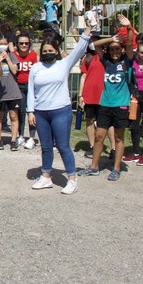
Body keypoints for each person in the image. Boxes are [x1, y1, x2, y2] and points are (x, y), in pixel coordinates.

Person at [27, 22, 94, 194]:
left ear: (56, 51)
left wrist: (87, 30)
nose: (47, 53)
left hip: (60, 111)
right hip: (41, 112)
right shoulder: (36, 68)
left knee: (63, 146)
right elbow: (31, 91)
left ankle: (72, 179)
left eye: (51, 50)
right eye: (44, 51)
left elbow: (79, 49)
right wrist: (30, 111)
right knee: (46, 146)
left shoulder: (64, 64)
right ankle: (46, 176)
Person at [79, 14, 135, 182]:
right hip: (105, 104)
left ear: (122, 50)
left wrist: (129, 27)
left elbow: (130, 44)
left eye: (117, 49)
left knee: (118, 138)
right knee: (99, 137)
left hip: (121, 105)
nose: (115, 52)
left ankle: (116, 168)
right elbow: (94, 45)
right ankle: (94, 167)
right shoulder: (106, 61)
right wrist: (112, 39)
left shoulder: (127, 61)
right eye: (112, 49)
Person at [78, 36, 107, 159]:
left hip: (103, 94)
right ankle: (92, 145)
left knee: (106, 122)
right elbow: (83, 76)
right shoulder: (87, 58)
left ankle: (112, 148)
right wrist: (80, 95)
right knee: (89, 120)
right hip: (89, 94)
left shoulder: (106, 56)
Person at [0, 34, 22, 151]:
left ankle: (13, 140)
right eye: (1, 44)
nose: (3, 46)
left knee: (13, 116)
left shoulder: (12, 56)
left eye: (5, 44)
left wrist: (8, 58)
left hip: (12, 91)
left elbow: (14, 71)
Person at [14, 31, 38, 149]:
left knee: (31, 111)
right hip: (19, 86)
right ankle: (21, 136)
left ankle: (32, 137)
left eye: (26, 43)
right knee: (21, 111)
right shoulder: (14, 55)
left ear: (29, 44)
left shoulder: (33, 55)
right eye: (21, 43)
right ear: (17, 44)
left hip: (31, 86)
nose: (24, 45)